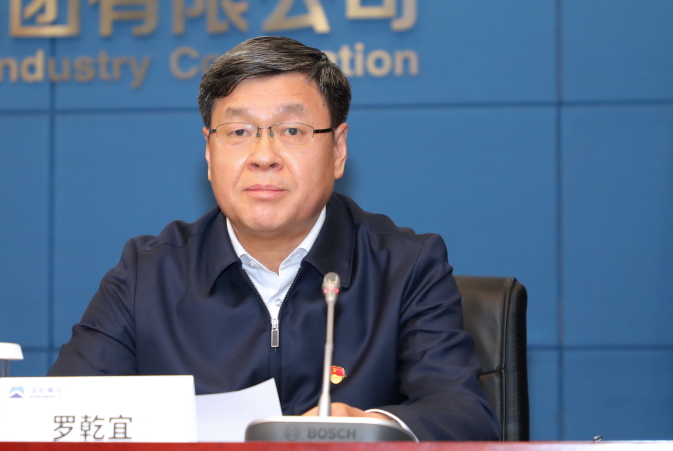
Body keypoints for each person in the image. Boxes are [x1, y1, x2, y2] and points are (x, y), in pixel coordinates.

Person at [48, 36, 500, 441]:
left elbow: (463, 414)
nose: (263, 156)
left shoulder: (406, 267)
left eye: (292, 131)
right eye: (239, 132)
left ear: (338, 149)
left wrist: (372, 428)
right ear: (209, 152)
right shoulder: (147, 275)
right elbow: (59, 419)